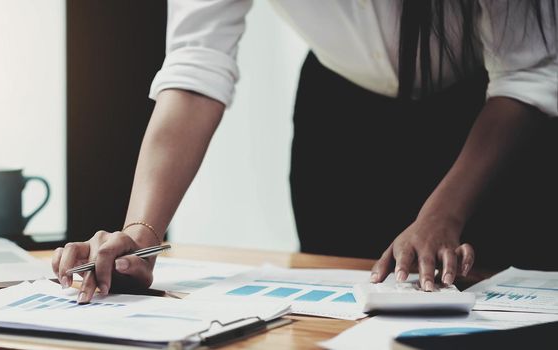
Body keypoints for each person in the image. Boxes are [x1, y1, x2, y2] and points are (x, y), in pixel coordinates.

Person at [53, 1, 558, 302]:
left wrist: (442, 215)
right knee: (348, 318)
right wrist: (140, 236)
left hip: (492, 118)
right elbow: (195, 66)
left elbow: (527, 72)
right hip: (339, 120)